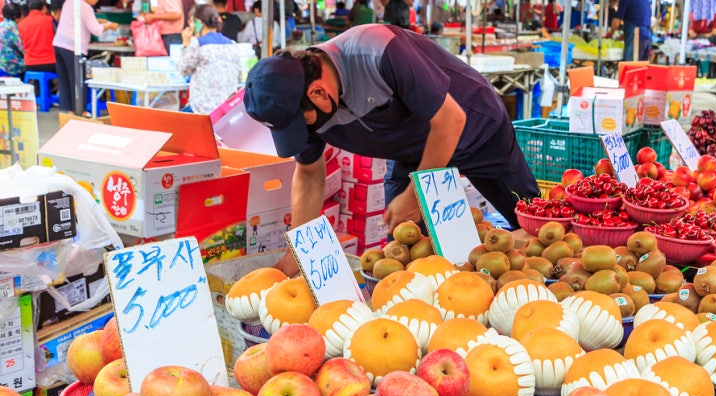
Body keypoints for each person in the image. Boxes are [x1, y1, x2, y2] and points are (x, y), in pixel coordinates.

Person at [243, 24, 540, 276]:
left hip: (478, 130)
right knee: (404, 255)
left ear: (318, 92)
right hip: (414, 153)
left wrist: (413, 194)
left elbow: (450, 120)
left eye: (300, 123)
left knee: (532, 224)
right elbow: (308, 174)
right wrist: (295, 253)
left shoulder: (378, 49)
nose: (305, 131)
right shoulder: (303, 108)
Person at [53, 0, 117, 113]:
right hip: (73, 47)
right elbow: (96, 30)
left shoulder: (69, 2)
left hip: (59, 44)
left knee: (64, 79)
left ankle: (67, 110)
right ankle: (80, 111)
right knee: (78, 79)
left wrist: (99, 21)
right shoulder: (85, 7)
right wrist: (110, 26)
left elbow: (80, 21)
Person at [178, 3, 242, 113]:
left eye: (191, 21)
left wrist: (185, 44)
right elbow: (239, 77)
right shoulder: (232, 44)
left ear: (198, 22)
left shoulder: (198, 44)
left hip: (201, 110)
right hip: (226, 110)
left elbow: (183, 70)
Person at [19, 0, 56, 73]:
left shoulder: (21, 24)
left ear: (29, 9)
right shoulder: (50, 20)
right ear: (44, 7)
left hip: (29, 64)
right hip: (51, 62)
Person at [0, 2, 23, 78]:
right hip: (11, 66)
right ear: (15, 16)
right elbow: (22, 47)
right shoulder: (13, 27)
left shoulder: (1, 25)